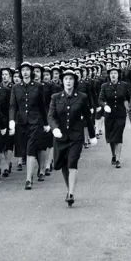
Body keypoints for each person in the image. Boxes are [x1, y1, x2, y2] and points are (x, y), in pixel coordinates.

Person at [48, 70, 97, 206]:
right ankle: (69, 188)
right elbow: (51, 116)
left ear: (74, 81)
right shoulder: (56, 97)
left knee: (72, 162)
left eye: (71, 79)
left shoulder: (82, 97)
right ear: (62, 81)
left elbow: (87, 117)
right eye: (66, 79)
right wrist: (55, 128)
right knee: (63, 164)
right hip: (60, 136)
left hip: (76, 136)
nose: (68, 81)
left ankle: (71, 193)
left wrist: (92, 135)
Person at [9, 62, 49, 190]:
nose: (25, 72)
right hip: (21, 123)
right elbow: (13, 106)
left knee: (31, 148)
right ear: (20, 73)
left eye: (27, 70)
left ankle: (28, 179)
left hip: (36, 121)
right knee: (26, 148)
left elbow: (42, 106)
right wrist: (11, 120)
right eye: (23, 70)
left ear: (31, 72)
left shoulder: (38, 86)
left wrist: (46, 123)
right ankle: (36, 171)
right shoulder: (15, 87)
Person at [98, 65, 130, 168]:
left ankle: (118, 159)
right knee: (111, 137)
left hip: (120, 114)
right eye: (111, 73)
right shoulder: (104, 86)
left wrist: (130, 108)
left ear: (118, 75)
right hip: (109, 115)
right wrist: (104, 105)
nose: (113, 75)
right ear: (109, 75)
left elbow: (130, 98)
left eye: (115, 73)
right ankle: (113, 155)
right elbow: (100, 99)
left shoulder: (124, 85)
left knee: (118, 136)